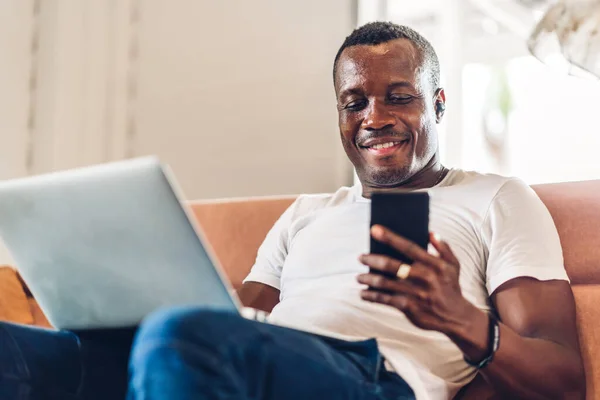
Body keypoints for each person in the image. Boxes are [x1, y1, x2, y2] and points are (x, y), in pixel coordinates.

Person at [0, 22, 585, 400]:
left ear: (437, 103)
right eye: (354, 102)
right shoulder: (308, 213)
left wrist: (461, 318)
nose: (374, 118)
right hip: (252, 369)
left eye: (398, 97)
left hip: (373, 380)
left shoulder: (497, 198)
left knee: (181, 337)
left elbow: (563, 378)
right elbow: (235, 322)